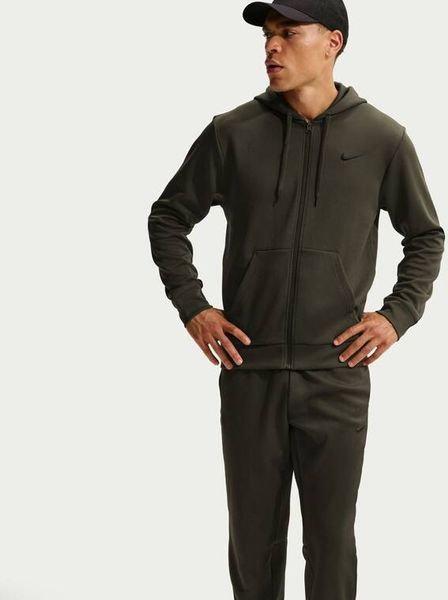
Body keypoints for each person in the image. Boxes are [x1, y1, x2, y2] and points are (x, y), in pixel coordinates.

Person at [147, 0, 445, 597]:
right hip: (249, 369)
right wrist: (193, 306)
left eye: (288, 33)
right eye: (267, 34)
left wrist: (396, 316)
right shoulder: (232, 132)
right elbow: (168, 217)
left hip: (336, 373)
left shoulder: (382, 137)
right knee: (253, 541)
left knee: (331, 542)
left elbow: (425, 236)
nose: (271, 46)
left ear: (333, 42)